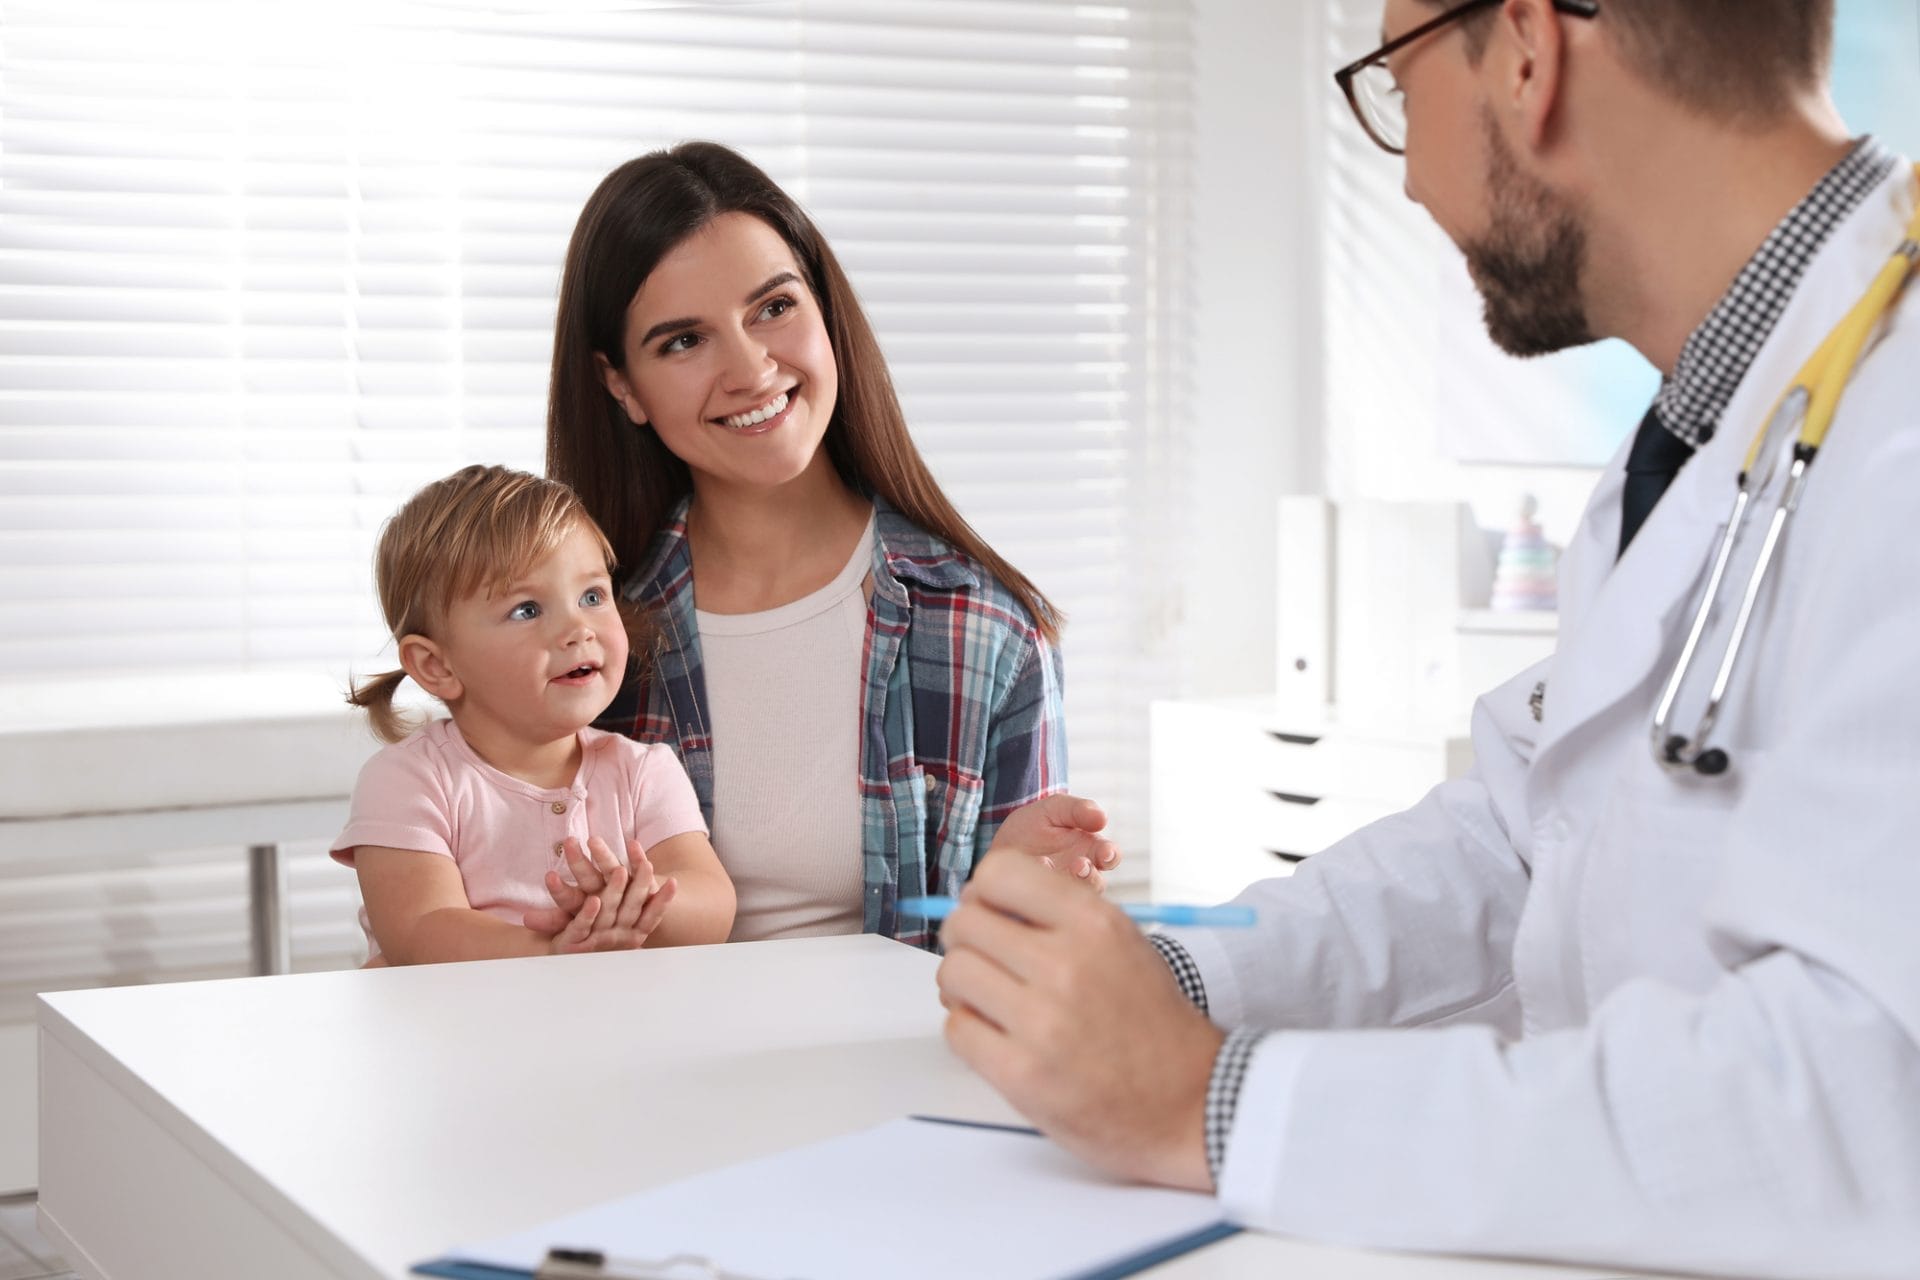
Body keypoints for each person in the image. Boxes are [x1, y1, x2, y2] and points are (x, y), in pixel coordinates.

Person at [934, 1, 1920, 1275]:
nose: (1403, 176)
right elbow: (1527, 828)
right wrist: (1165, 979)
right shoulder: (1718, 420)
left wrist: (1209, 1105)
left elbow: (1862, 1096)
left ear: (1524, 50)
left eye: (1398, 88)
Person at [543, 141, 1117, 948]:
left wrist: (1020, 907)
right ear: (621, 385)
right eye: (684, 341)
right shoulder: (581, 644)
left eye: (774, 308)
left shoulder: (985, 631)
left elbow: (1028, 985)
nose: (750, 369)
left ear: (824, 311)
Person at [335, 464, 736, 964]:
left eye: (592, 596)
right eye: (527, 609)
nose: (578, 628)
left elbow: (714, 906)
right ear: (437, 666)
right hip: (453, 1037)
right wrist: (556, 951)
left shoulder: (643, 771)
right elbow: (419, 931)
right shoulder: (409, 779)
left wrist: (632, 908)